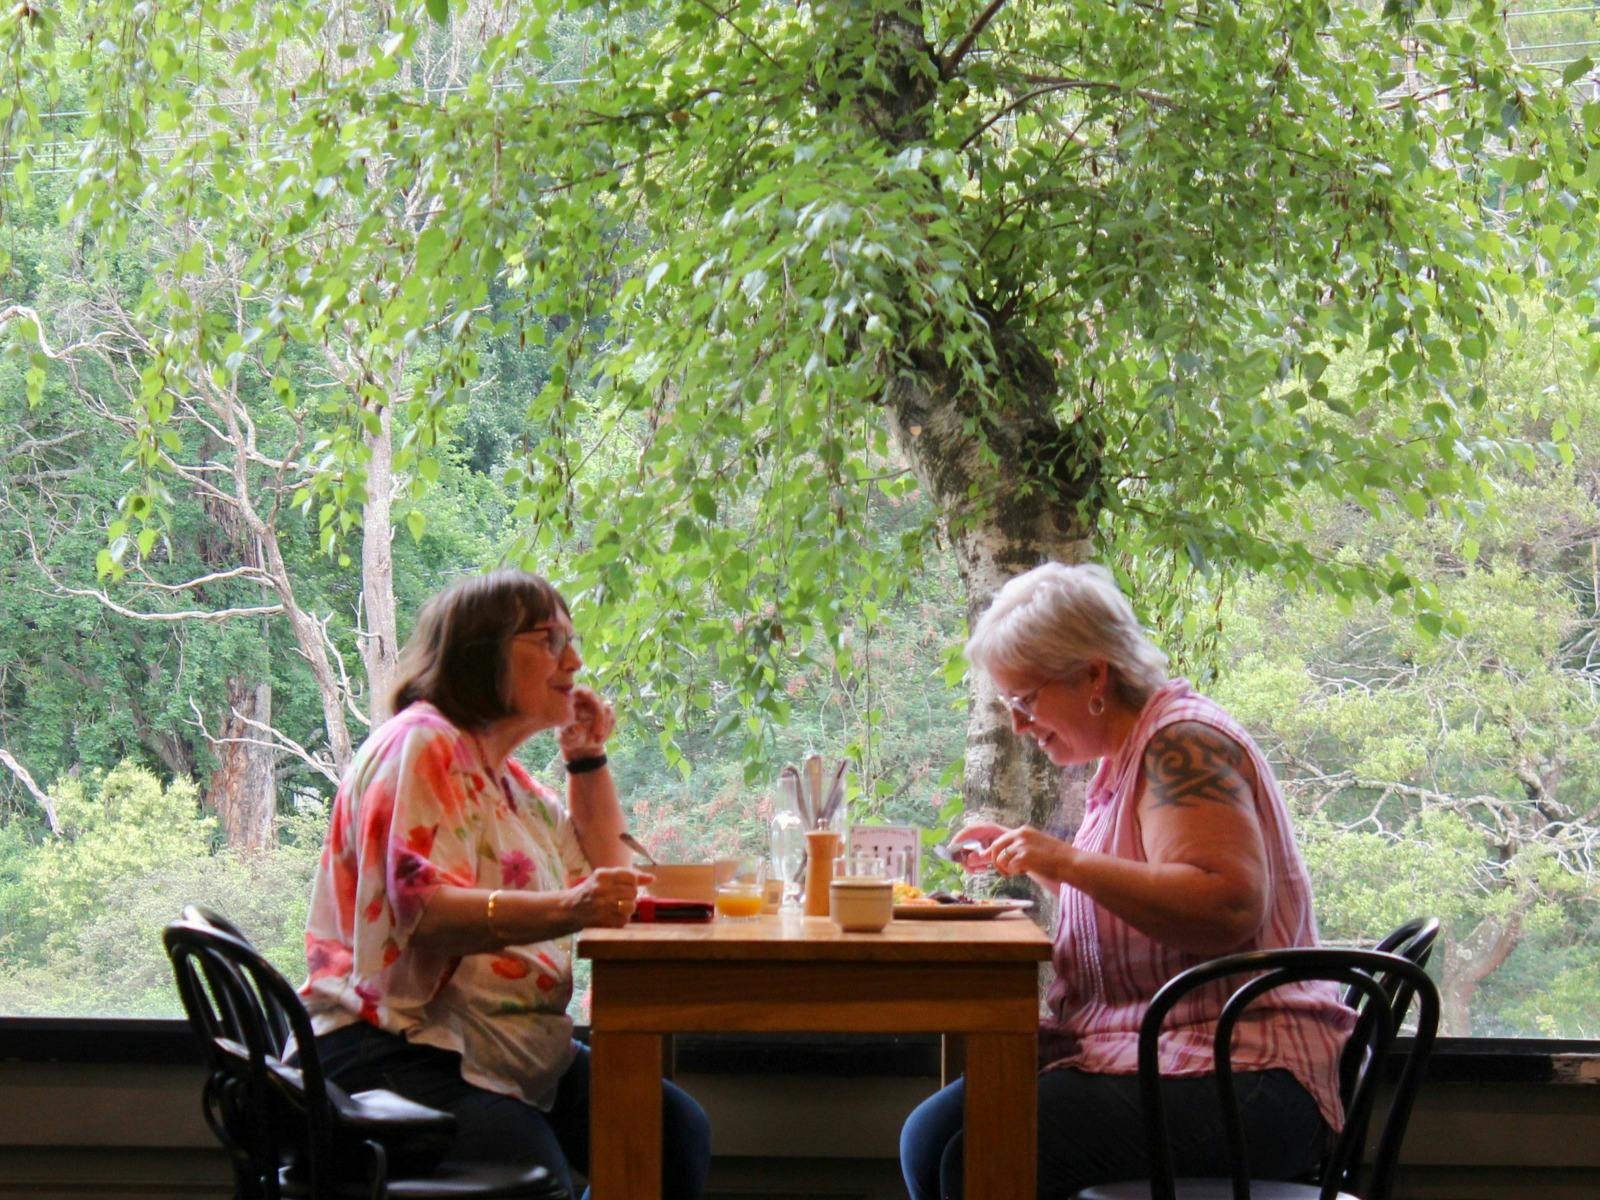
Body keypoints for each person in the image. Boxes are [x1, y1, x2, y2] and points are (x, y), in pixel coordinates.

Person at [900, 562, 1353, 1200]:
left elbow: (1225, 906)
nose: (1021, 725)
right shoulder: (1125, 761)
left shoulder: (1182, 744)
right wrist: (1034, 859)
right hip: (1172, 1054)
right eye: (1010, 706)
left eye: (1026, 700)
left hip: (1247, 1075)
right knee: (928, 1137)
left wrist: (1062, 861)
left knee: (975, 1155)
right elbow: (1142, 911)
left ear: (1093, 673)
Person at [300, 569, 710, 1200]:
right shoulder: (422, 743)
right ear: (481, 651)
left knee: (673, 1131)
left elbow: (608, 877)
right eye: (549, 639)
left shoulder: (504, 779)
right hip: (394, 1046)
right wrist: (569, 908)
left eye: (571, 640)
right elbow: (424, 912)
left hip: (500, 1047)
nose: (573, 659)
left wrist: (586, 757)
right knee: (537, 1170)